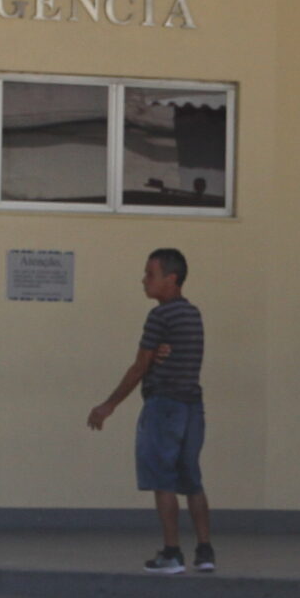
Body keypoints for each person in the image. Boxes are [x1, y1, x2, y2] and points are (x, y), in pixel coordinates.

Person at [87, 247, 213, 576]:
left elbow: (139, 366)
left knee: (163, 481)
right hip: (192, 407)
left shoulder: (160, 316)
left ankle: (171, 553)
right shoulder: (193, 313)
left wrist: (109, 404)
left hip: (165, 407)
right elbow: (173, 355)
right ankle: (204, 550)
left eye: (149, 274)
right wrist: (160, 352)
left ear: (171, 279)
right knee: (192, 479)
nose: (143, 281)